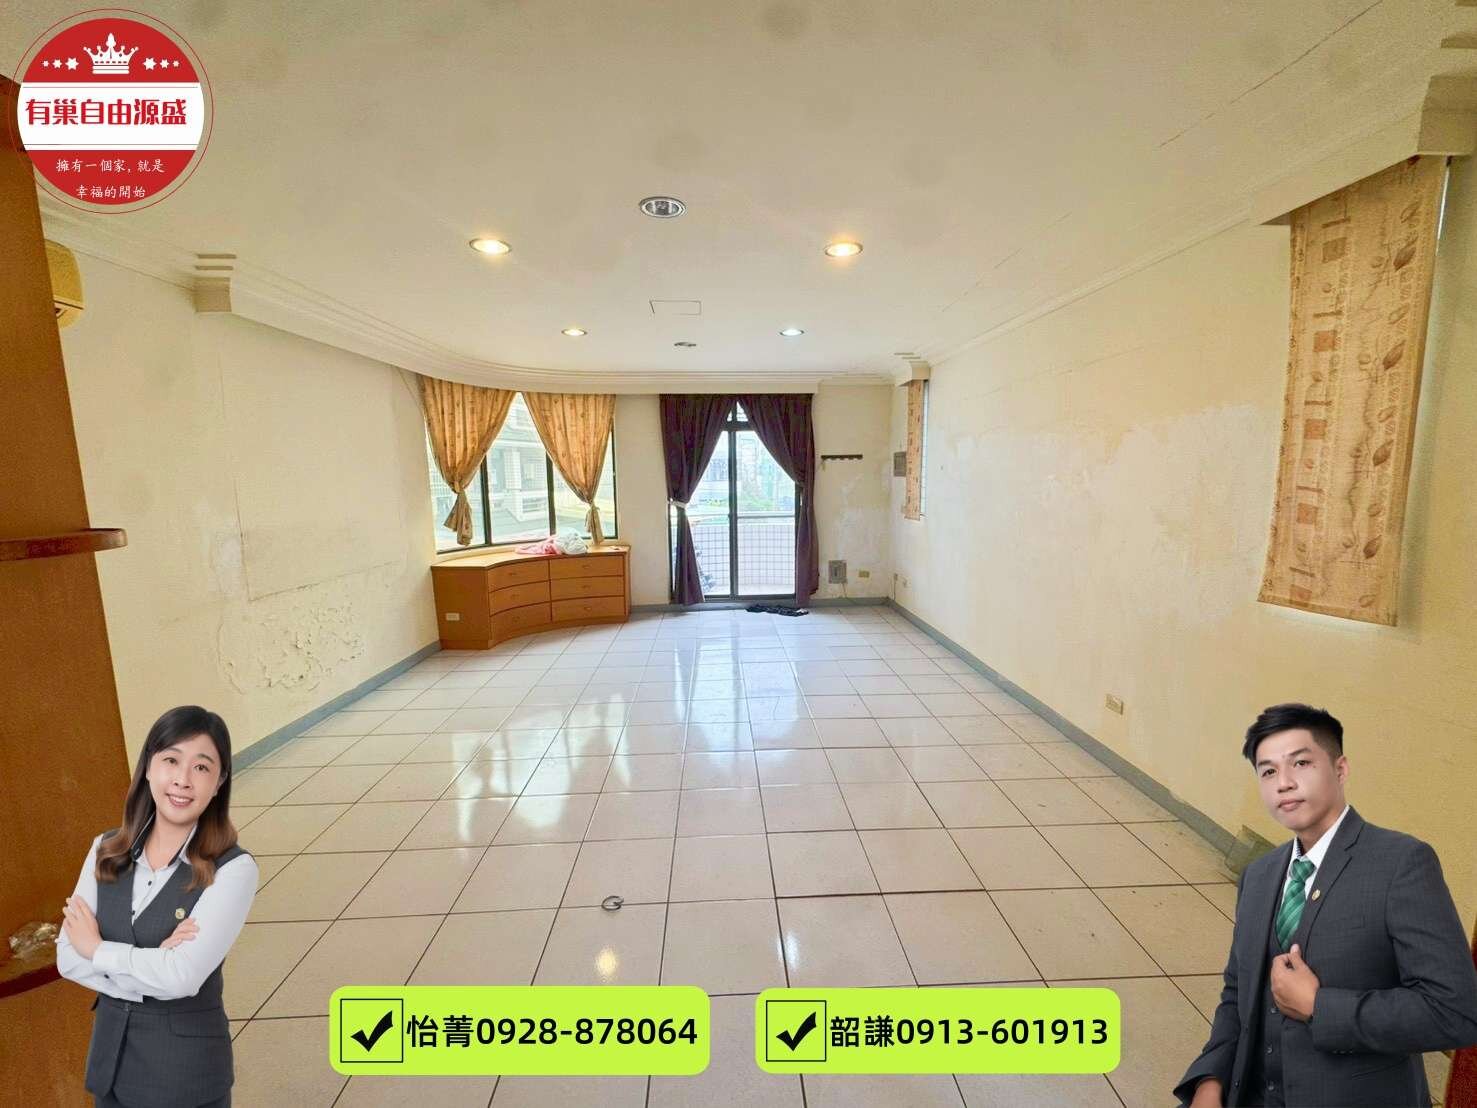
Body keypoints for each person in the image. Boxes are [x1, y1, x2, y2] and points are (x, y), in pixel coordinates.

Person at [1174, 703, 1477, 1107]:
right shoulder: (1259, 875)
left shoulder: (1401, 864)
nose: (1284, 783)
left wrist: (1319, 1007)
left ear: (1340, 769)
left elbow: (1456, 1012)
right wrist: (1211, 1079)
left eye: (1300, 763)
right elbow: (1236, 992)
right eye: (1268, 771)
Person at [57, 706, 258, 1107]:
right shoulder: (105, 849)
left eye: (202, 767)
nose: (183, 779)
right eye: (171, 760)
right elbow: (66, 958)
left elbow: (181, 978)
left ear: (219, 782)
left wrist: (97, 949)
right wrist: (154, 966)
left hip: (183, 1076)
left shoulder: (233, 869)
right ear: (148, 767)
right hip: (110, 1068)